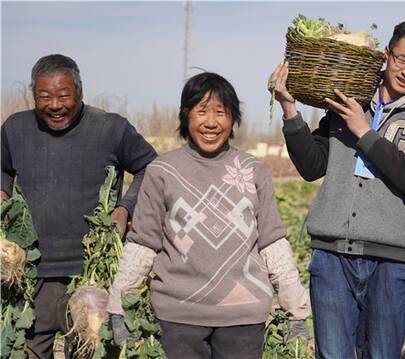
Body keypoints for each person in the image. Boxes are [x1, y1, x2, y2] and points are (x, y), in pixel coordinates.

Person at [269, 19, 405, 358]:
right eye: (401, 59)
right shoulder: (350, 98)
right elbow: (312, 167)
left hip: (389, 259)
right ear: (386, 55)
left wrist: (364, 131)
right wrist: (290, 110)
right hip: (332, 255)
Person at [105, 72, 311, 359]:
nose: (211, 123)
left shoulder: (253, 170)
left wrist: (296, 310)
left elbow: (272, 244)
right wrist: (118, 304)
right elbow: (143, 244)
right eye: (201, 111)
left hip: (243, 318)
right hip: (178, 318)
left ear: (233, 119)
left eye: (221, 113)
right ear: (185, 116)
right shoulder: (162, 171)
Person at [0, 54, 157, 358]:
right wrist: (2, 193)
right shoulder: (15, 128)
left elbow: (151, 167)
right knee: (25, 350)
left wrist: (126, 207)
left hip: (92, 276)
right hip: (31, 276)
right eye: (44, 96)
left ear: (81, 92)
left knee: (90, 352)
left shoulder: (111, 128)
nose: (55, 105)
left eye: (64, 95)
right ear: (33, 95)